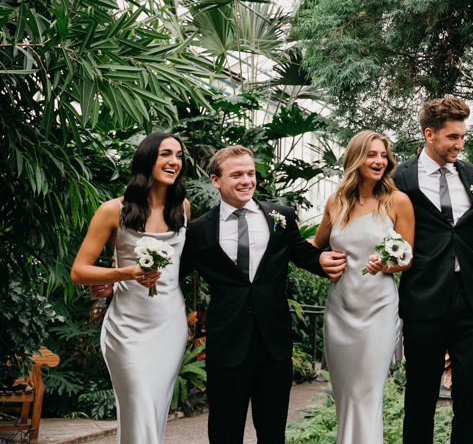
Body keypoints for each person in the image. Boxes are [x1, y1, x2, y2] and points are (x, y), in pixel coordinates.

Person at [178, 144, 338, 444]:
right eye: (236, 174)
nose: (246, 181)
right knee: (225, 431)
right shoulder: (200, 231)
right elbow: (173, 274)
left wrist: (354, 258)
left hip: (273, 343)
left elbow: (307, 256)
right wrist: (117, 282)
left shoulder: (281, 216)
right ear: (216, 181)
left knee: (273, 431)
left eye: (250, 173)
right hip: (227, 344)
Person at [70, 133, 190, 444]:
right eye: (166, 154)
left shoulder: (183, 208)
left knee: (153, 409)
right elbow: (79, 271)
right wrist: (122, 273)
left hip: (169, 326)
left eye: (178, 155)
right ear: (147, 159)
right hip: (126, 328)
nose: (174, 161)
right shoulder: (113, 210)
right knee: (138, 402)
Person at [393, 97, 473, 444]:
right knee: (420, 393)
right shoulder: (399, 176)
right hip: (423, 295)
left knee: (471, 394)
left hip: (471, 297)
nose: (460, 144)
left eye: (462, 136)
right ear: (429, 134)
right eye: (452, 137)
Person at [312, 131, 415, 444]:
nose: (379, 161)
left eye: (383, 155)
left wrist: (386, 265)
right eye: (372, 154)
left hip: (378, 310)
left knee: (366, 394)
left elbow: (407, 257)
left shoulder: (398, 202)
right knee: (345, 396)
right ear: (356, 159)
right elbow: (316, 246)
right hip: (340, 311)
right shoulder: (336, 201)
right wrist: (318, 259)